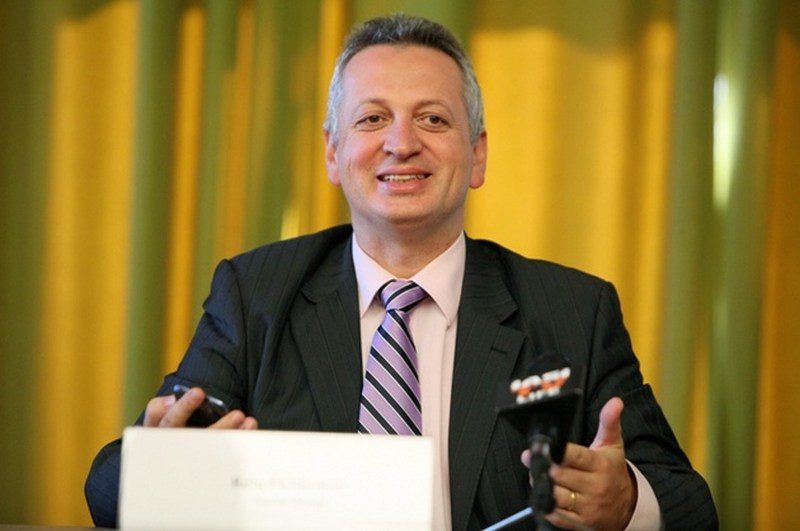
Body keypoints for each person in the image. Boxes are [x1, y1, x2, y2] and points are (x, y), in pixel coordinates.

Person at [85, 14, 718, 530]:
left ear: (477, 154)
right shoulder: (257, 295)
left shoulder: (573, 310)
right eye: (372, 118)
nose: (401, 142)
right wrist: (161, 468)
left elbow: (691, 505)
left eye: (433, 118)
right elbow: (108, 487)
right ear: (333, 151)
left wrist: (627, 502)